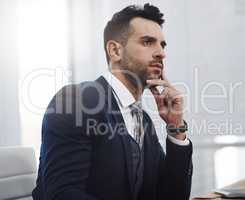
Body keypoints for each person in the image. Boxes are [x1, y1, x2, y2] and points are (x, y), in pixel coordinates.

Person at [32, 3, 193, 200]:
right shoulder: (74, 101)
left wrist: (176, 127)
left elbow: (171, 196)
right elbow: (61, 194)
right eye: (148, 42)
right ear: (115, 50)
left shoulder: (143, 119)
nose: (161, 53)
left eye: (162, 45)